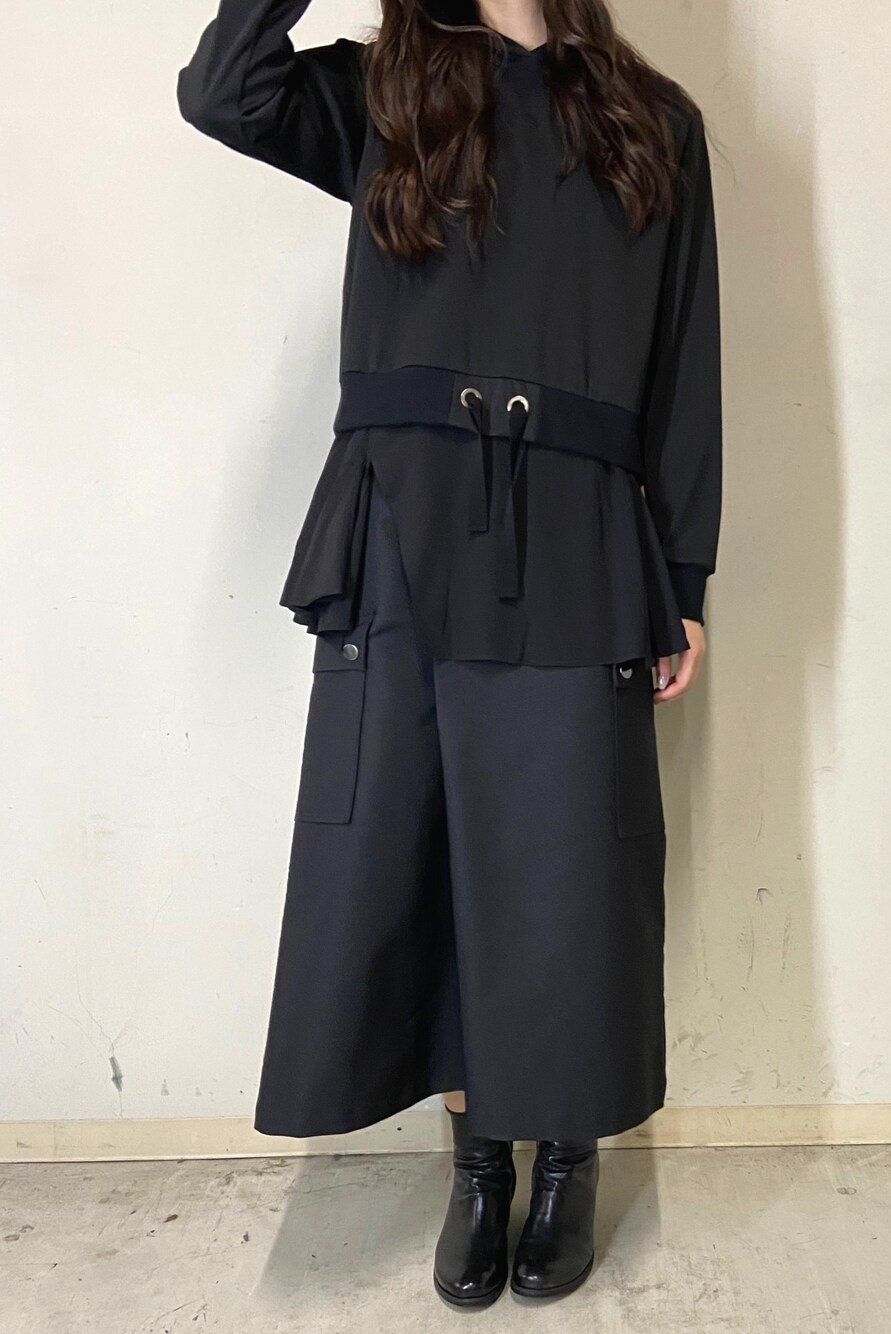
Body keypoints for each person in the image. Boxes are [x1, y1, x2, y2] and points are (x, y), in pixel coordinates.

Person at [176, 0, 722, 1307]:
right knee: (419, 847)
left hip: (579, 527)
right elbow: (222, 90)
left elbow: (684, 361)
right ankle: (478, 1163)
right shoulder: (389, 91)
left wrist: (683, 578)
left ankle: (567, 1155)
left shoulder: (654, 123)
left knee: (564, 862)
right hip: (405, 520)